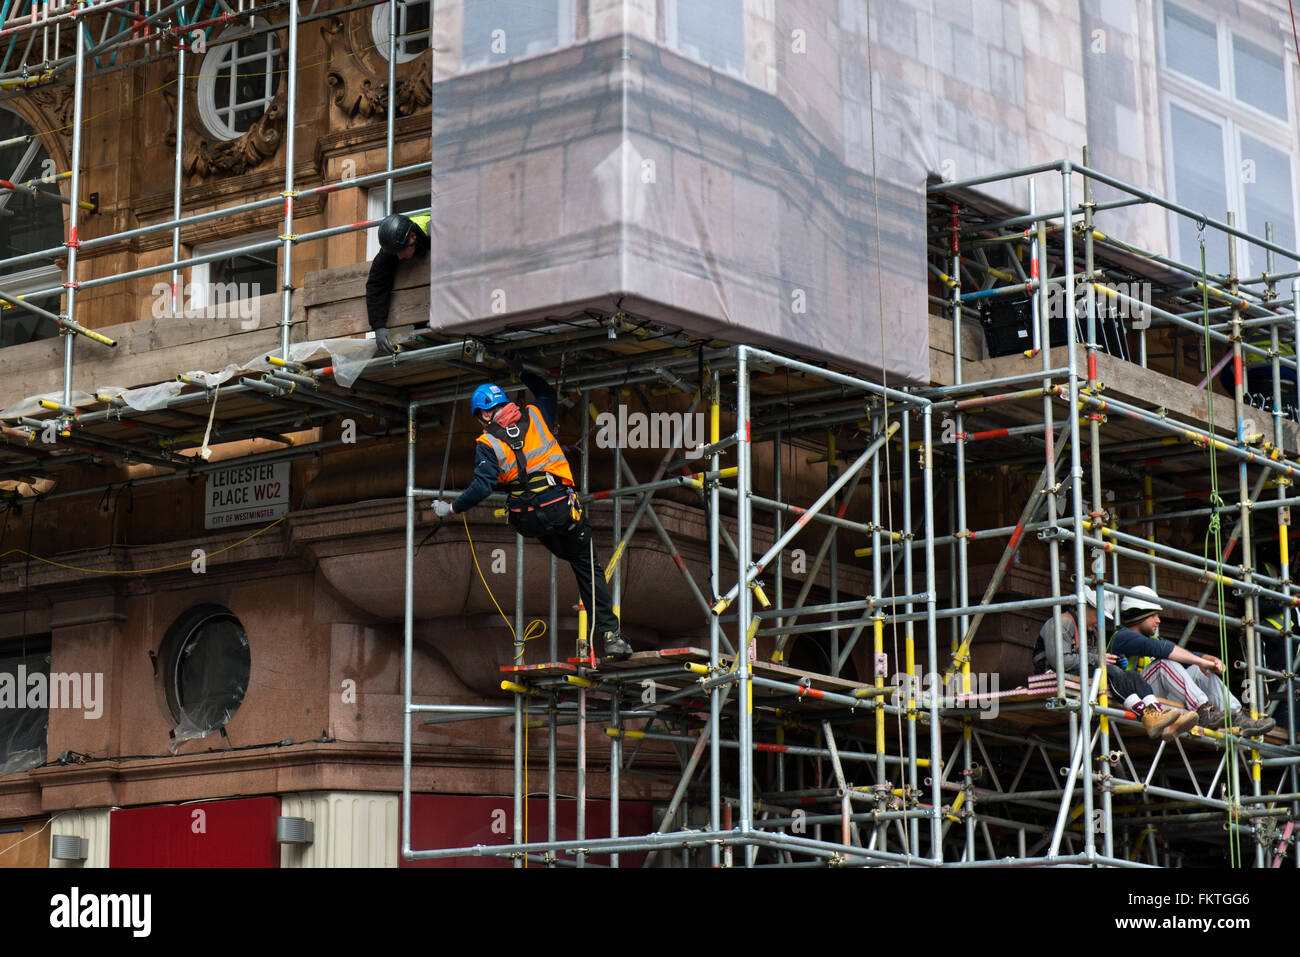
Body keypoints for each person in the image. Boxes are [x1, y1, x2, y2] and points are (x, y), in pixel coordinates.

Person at [431, 371, 633, 661]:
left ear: (484, 415)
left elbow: (482, 486)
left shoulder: (487, 443)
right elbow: (547, 392)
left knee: (574, 557)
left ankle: (600, 625)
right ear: (503, 402)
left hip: (528, 519)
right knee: (587, 566)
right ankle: (610, 635)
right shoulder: (537, 415)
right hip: (560, 508)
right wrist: (523, 371)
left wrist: (451, 508)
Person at [1108, 585, 1276, 737]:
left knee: (1199, 670)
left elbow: (1178, 652)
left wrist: (1204, 659)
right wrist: (1199, 660)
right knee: (1163, 664)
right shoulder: (1122, 637)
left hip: (1153, 698)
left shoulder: (1151, 639)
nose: (1158, 620)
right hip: (1135, 699)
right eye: (1153, 615)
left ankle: (1236, 716)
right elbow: (1162, 650)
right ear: (1139, 614)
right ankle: (1203, 710)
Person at [1032, 588, 1198, 739]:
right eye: (1100, 615)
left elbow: (1094, 656)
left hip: (1083, 672)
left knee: (1131, 675)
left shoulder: (1091, 632)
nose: (1101, 621)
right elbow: (1061, 662)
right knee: (1108, 671)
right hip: (1057, 675)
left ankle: (1158, 714)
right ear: (1086, 607)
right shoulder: (1062, 623)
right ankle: (1145, 715)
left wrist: (1109, 659)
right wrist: (1099, 659)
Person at [367, 212, 430, 355]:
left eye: (401, 251)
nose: (399, 257)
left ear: (413, 237)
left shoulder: (433, 231)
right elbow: (377, 284)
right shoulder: (393, 244)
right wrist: (378, 326)